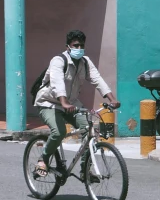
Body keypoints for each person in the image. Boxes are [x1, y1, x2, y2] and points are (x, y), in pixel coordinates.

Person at [34, 29, 120, 179]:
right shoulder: (58, 60)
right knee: (59, 132)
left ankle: (85, 170)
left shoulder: (85, 62)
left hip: (71, 103)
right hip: (49, 103)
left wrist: (111, 98)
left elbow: (97, 79)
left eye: (81, 46)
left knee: (89, 130)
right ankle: (44, 159)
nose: (79, 49)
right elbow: (57, 83)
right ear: (68, 46)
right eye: (75, 45)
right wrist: (63, 102)